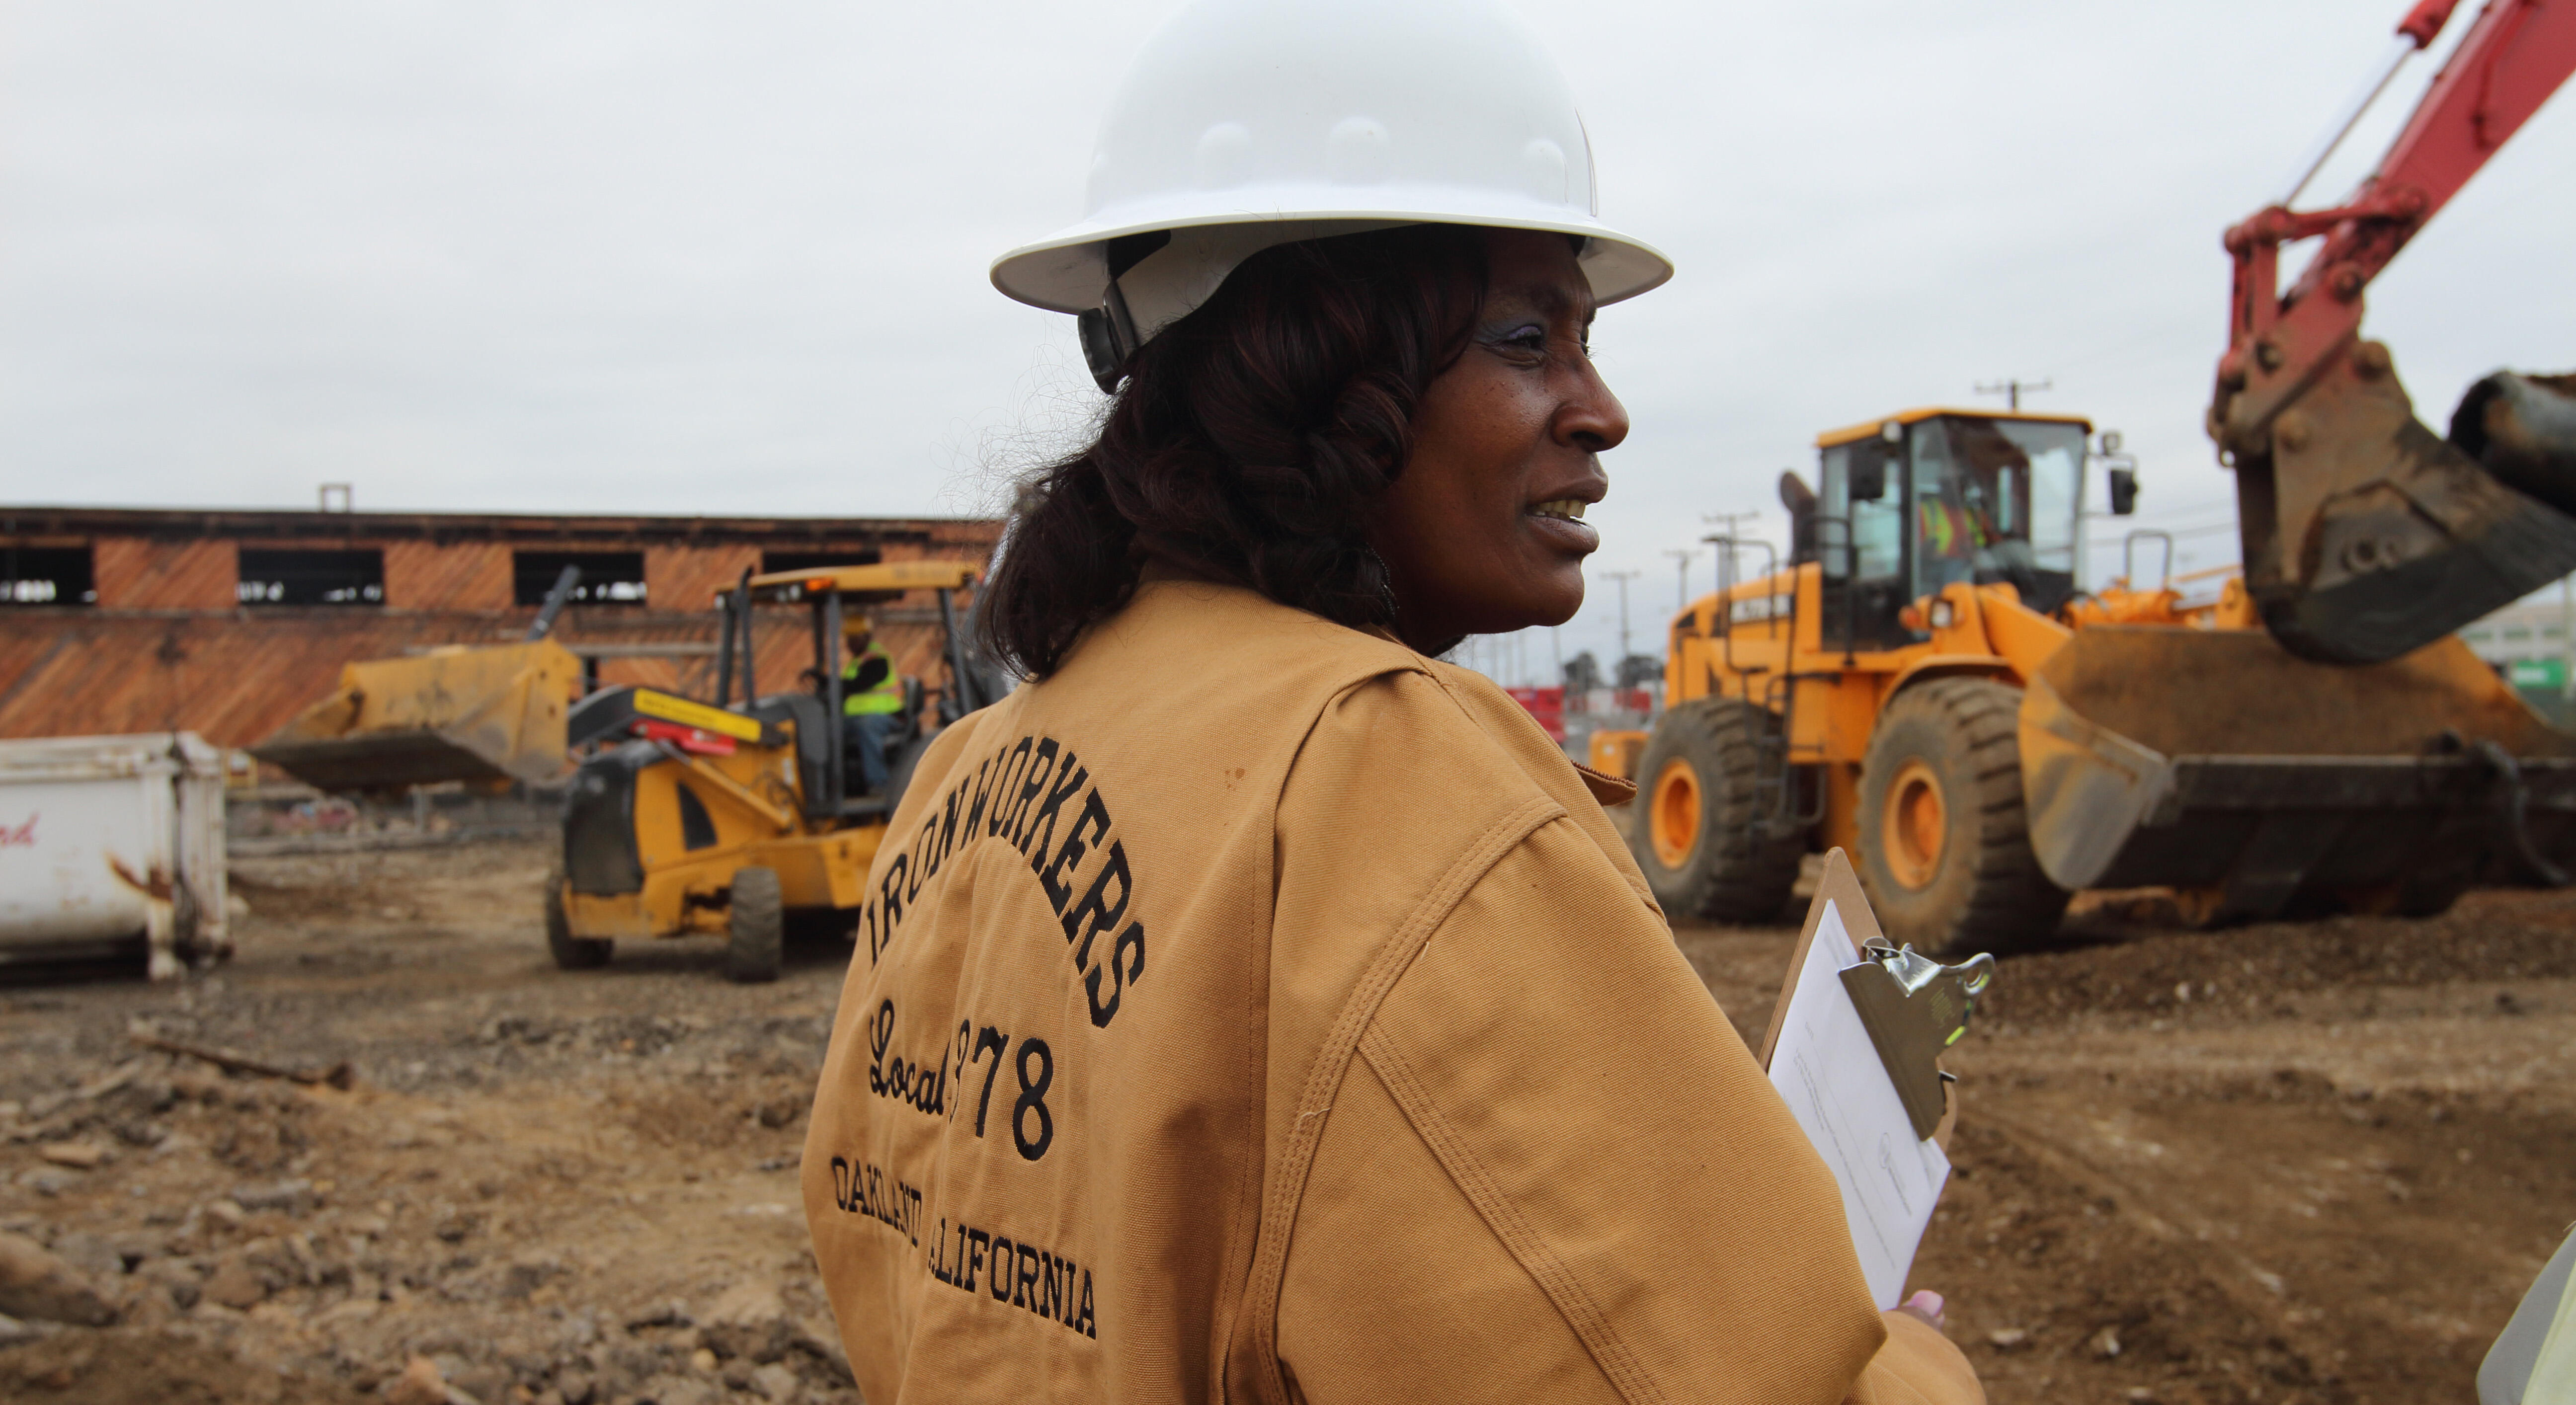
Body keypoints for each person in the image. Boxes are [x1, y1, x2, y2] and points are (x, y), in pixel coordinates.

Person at [801, 1, 1982, 1402]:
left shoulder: (966, 774)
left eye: (1587, 341)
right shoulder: (1382, 779)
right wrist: (1905, 1359)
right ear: (1307, 364)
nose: (1601, 408)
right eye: (1526, 337)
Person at [839, 614, 903, 795]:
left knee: (866, 727)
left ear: (867, 637)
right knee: (828, 729)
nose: (850, 643)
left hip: (887, 718)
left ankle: (879, 783)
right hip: (855, 718)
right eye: (848, 638)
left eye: (855, 638)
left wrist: (834, 685)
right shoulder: (855, 662)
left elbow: (860, 683)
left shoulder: (877, 660)